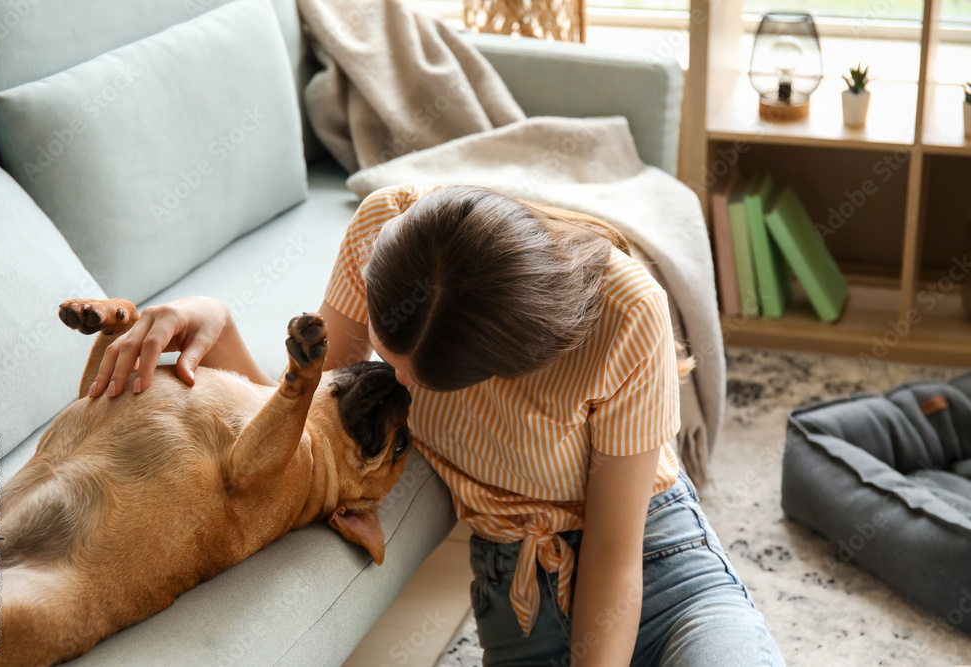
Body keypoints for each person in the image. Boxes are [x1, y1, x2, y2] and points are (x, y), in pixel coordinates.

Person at [88, 184, 785, 666]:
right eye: (393, 366)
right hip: (516, 599)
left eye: (432, 379)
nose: (404, 388)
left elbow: (613, 548)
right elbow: (302, 420)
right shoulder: (382, 229)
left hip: (654, 563)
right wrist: (219, 319)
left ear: (514, 357)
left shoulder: (628, 313)